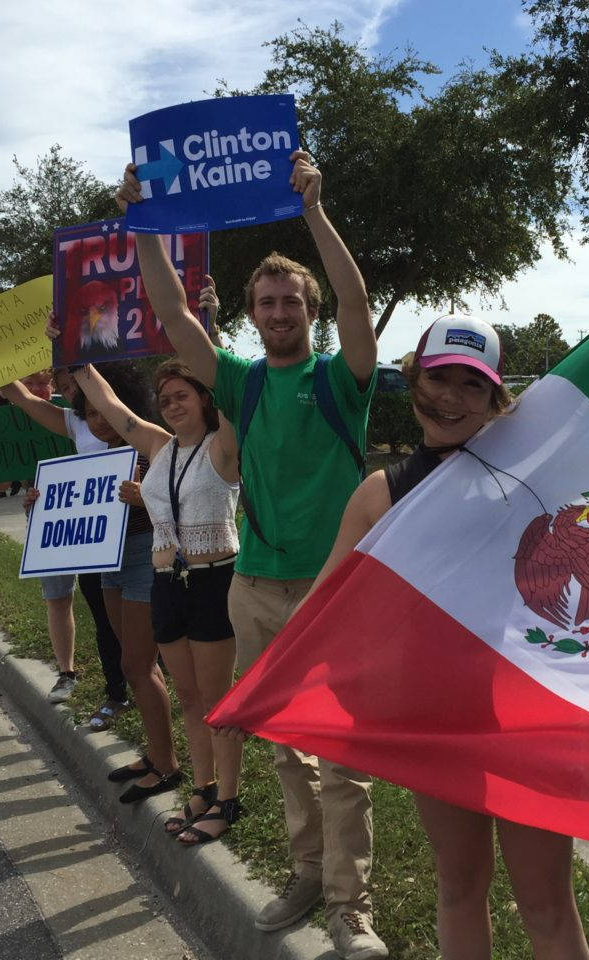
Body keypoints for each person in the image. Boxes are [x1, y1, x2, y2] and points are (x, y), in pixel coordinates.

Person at [120, 149, 385, 958]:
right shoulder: (241, 382)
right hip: (255, 589)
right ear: (254, 310)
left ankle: (351, 906)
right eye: (267, 301)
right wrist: (142, 226)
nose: (279, 310)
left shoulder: (345, 379)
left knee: (341, 758)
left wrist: (312, 207)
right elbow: (172, 313)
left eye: (290, 300)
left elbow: (355, 297)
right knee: (282, 748)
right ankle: (307, 872)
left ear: (305, 309)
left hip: (335, 591)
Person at [303, 316, 589, 960]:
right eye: (439, 378)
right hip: (437, 720)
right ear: (412, 382)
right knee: (460, 887)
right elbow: (322, 610)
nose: (452, 398)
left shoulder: (533, 476)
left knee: (546, 902)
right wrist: (263, 690)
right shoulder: (383, 492)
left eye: (473, 385)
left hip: (528, 715)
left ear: (496, 401)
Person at [69, 356, 243, 842]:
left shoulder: (223, 448)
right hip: (167, 584)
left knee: (217, 700)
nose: (171, 405)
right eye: (164, 399)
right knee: (188, 695)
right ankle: (204, 787)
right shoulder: (159, 447)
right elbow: (111, 406)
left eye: (182, 395)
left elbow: (229, 389)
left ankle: (228, 799)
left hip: (212, 582)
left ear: (205, 399)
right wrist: (77, 358)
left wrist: (209, 334)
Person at [7, 365, 172, 789]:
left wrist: (143, 500)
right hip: (106, 562)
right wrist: (41, 505)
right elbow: (27, 401)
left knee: (138, 664)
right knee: (132, 663)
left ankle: (167, 764)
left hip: (144, 559)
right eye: (89, 413)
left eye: (104, 410)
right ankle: (156, 756)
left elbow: (182, 508)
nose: (98, 420)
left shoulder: (149, 447)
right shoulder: (86, 445)